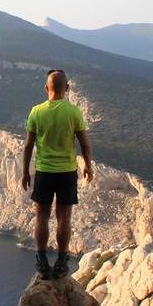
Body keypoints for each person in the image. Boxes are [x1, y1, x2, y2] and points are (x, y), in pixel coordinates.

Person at [21, 69, 94, 280]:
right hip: (67, 172)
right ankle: (62, 261)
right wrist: (88, 166)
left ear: (46, 88)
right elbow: (84, 143)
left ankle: (42, 260)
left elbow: (28, 146)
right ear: (67, 88)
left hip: (43, 171)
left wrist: (25, 172)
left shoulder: (36, 111)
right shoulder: (74, 112)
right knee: (64, 217)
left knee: (42, 216)